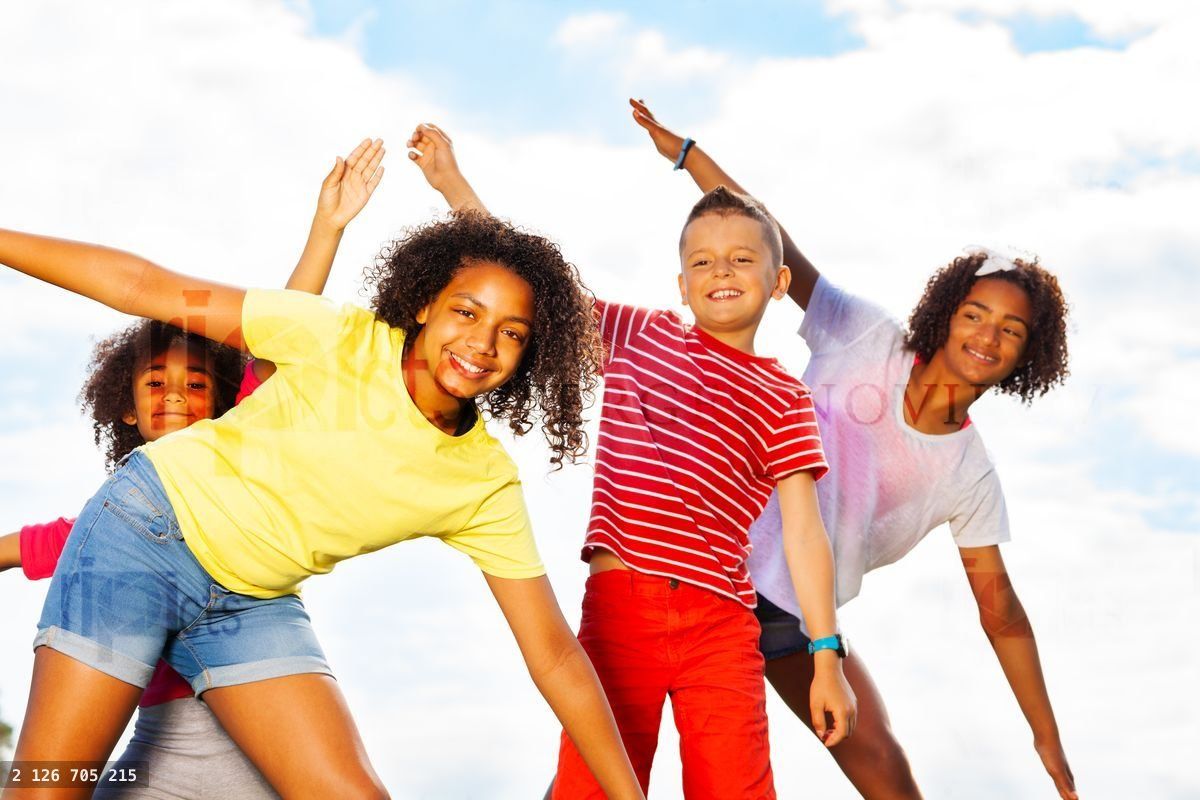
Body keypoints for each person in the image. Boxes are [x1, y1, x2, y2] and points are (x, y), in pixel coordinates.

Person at [0, 138, 643, 800]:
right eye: (466, 312)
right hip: (145, 531)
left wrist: (629, 796)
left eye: (511, 332)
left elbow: (558, 657)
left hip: (248, 598)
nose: (482, 342)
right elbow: (149, 288)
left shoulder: (481, 484)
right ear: (425, 305)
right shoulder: (335, 337)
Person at [630, 97, 1077, 800]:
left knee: (887, 772)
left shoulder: (969, 475)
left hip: (793, 611)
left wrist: (1045, 737)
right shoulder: (867, 336)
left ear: (1028, 355)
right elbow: (776, 242)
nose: (987, 337)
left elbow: (1000, 610)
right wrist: (689, 157)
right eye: (974, 315)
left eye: (1011, 331)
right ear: (946, 314)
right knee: (616, 751)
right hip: (700, 559)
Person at [406, 123, 855, 800]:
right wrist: (452, 186)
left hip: (722, 624)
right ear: (681, 283)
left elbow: (803, 532)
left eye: (741, 259)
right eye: (702, 262)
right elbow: (533, 289)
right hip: (622, 608)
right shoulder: (640, 334)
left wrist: (826, 655)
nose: (721, 272)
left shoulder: (784, 396)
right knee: (594, 785)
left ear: (779, 280)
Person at [0, 137, 388, 799]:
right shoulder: (110, 533)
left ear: (226, 409)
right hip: (156, 754)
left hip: (263, 739)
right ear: (126, 409)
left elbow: (281, 334)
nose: (176, 394)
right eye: (156, 384)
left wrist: (327, 228)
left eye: (196, 387)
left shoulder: (243, 451)